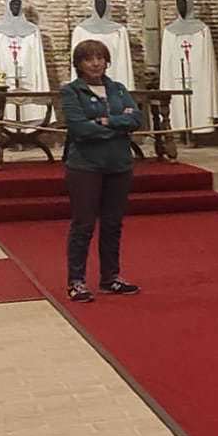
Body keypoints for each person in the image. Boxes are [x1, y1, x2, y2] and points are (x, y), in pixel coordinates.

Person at [58, 39, 143, 303]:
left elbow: (136, 119)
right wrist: (117, 128)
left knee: (112, 223)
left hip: (118, 164)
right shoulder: (72, 91)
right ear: (79, 64)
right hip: (85, 166)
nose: (95, 63)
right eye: (88, 59)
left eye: (100, 58)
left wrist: (106, 121)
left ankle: (110, 277)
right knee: (83, 224)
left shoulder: (117, 89)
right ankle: (76, 281)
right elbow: (79, 128)